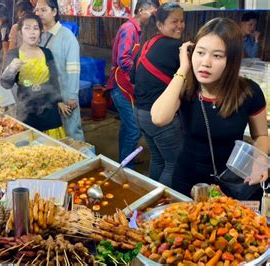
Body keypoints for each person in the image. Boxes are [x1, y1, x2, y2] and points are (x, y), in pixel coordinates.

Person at [151, 18, 268, 200]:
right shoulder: (185, 87)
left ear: (232, 60)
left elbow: (261, 136)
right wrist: (183, 68)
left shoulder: (249, 92)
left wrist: (259, 159)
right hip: (187, 179)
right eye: (200, 52)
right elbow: (158, 118)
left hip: (232, 183)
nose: (205, 62)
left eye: (217, 56)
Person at [131, 2, 184, 186]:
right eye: (174, 21)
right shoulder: (177, 48)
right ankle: (165, 205)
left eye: (182, 21)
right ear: (160, 25)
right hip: (159, 118)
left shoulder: (146, 45)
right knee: (173, 163)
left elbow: (133, 78)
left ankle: (152, 199)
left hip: (139, 113)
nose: (179, 25)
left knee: (158, 158)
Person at [106, 0, 157, 168]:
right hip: (120, 86)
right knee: (134, 129)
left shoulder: (136, 30)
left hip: (124, 85)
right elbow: (124, 59)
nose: (153, 16)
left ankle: (124, 158)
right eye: (152, 12)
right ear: (141, 10)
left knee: (127, 127)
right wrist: (140, 74)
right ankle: (127, 169)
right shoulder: (129, 29)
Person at [1, 13, 66, 139]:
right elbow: (5, 84)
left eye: (36, 28)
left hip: (49, 109)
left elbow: (54, 80)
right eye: (27, 28)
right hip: (27, 110)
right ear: (20, 32)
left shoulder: (47, 53)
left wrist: (59, 101)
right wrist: (11, 69)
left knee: (53, 150)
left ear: (40, 31)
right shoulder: (13, 54)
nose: (32, 32)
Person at [36, 0, 85, 141]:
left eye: (43, 10)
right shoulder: (39, 35)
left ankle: (83, 160)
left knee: (72, 133)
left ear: (54, 12)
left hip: (65, 93)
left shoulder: (67, 37)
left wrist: (71, 96)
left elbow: (73, 69)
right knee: (54, 134)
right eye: (37, 10)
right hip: (48, 95)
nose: (39, 13)